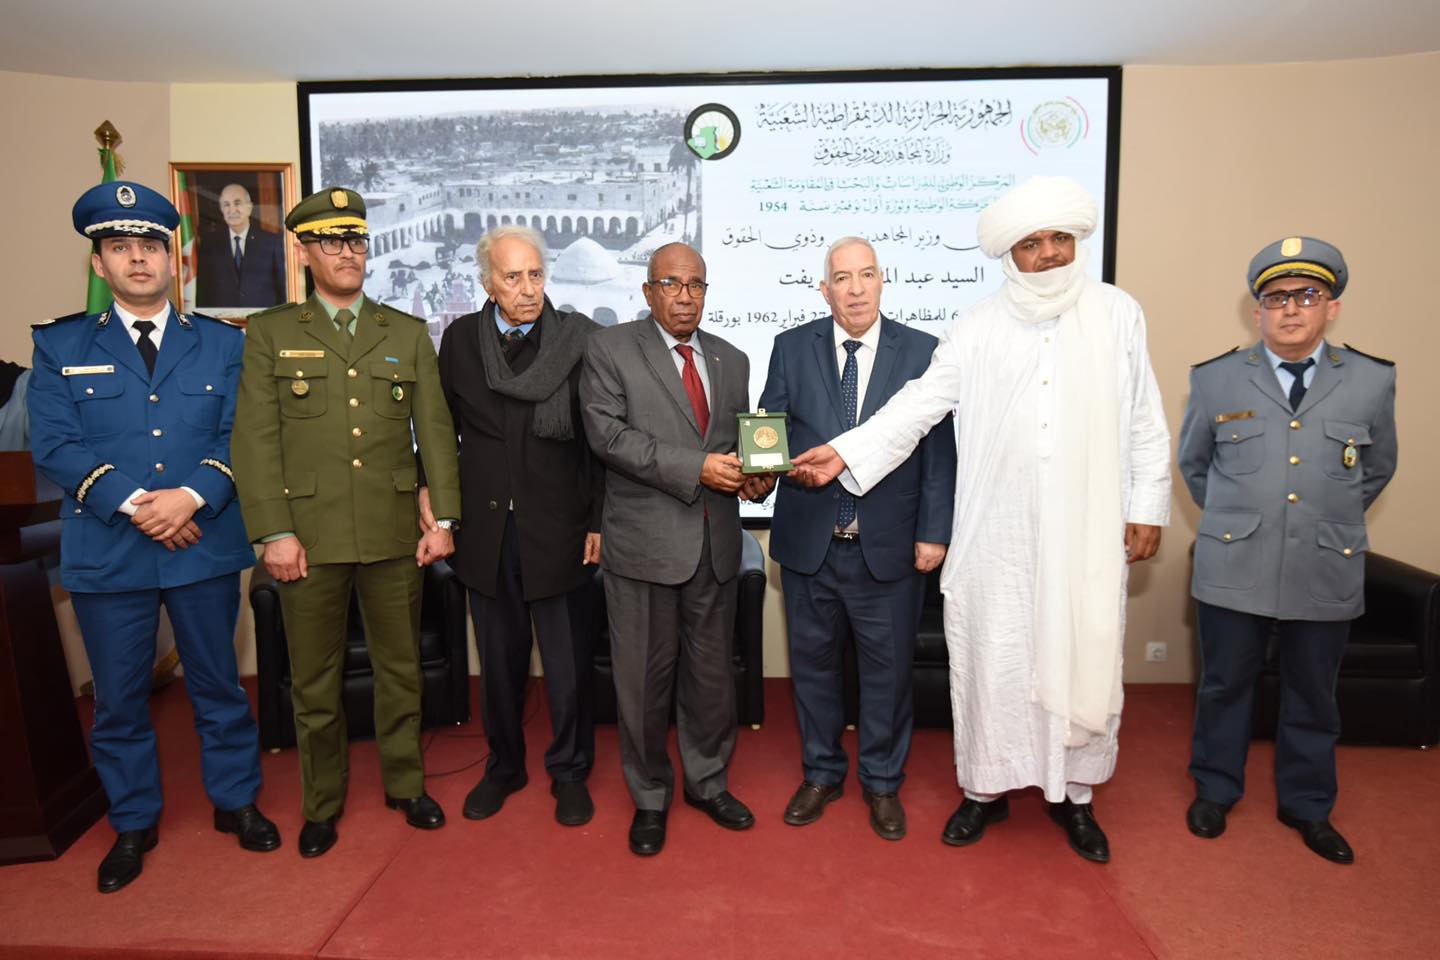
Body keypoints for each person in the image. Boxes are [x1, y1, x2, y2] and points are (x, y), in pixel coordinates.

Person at [792, 176, 1172, 863]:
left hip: (1086, 530)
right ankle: (984, 791)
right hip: (998, 534)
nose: (1049, 253)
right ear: (1010, 254)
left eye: (1060, 238)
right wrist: (845, 452)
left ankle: (1076, 798)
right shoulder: (977, 326)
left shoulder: (1119, 314)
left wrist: (1147, 504)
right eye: (1032, 243)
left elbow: (1145, 415)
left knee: (1083, 653)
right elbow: (917, 407)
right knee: (993, 661)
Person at [29, 180, 278, 893]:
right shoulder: (60, 344)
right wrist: (142, 506)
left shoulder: (224, 344)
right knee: (118, 700)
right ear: (99, 263)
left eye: (149, 247)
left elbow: (241, 433)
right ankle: (133, 820)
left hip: (202, 540)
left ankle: (236, 802)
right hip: (110, 550)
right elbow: (56, 444)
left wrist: (191, 496)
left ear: (175, 261)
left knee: (219, 685)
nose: (137, 259)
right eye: (119, 247)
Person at [230, 187, 462, 858]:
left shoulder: (405, 332)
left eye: (356, 240)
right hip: (309, 537)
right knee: (315, 682)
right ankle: (323, 804)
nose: (347, 253)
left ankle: (406, 785)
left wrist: (443, 518)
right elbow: (255, 441)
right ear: (304, 252)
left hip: (393, 533)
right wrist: (273, 532)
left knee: (401, 670)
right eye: (331, 241)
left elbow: (435, 432)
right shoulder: (272, 333)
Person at [1178, 237, 1396, 865]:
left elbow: (1376, 468)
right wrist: (1241, 519)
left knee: (1313, 693)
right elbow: (1195, 467)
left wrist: (1322, 518)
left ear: (1332, 307)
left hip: (1324, 562)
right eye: (1277, 298)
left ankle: (1308, 805)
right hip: (1234, 563)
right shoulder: (1215, 379)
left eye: (1307, 295)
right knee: (1224, 685)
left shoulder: (1372, 379)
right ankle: (1215, 790)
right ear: (1258, 313)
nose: (1292, 308)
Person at [757, 237, 956, 840]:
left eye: (866, 274)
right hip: (809, 545)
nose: (856, 289)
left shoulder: (923, 351)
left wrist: (934, 532)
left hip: (888, 548)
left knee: (888, 675)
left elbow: (939, 453)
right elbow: (769, 428)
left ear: (882, 280)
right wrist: (763, 470)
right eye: (842, 278)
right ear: (825, 290)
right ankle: (821, 773)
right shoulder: (790, 347)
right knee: (813, 669)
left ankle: (883, 782)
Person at [579, 242, 767, 856]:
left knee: (712, 680)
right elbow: (608, 437)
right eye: (671, 284)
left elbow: (738, 446)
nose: (685, 297)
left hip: (715, 545)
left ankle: (708, 783)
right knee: (642, 683)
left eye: (696, 286)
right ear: (648, 291)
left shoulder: (732, 358)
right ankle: (650, 796)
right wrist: (698, 469)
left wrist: (757, 478)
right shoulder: (609, 349)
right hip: (643, 548)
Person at [428, 225, 603, 826]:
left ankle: (570, 771)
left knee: (567, 667)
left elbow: (601, 442)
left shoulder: (580, 339)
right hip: (486, 534)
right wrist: (440, 510)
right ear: (487, 283)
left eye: (535, 275)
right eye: (512, 277)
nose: (528, 289)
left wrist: (598, 520)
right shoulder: (460, 340)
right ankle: (504, 767)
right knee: (500, 667)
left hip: (561, 529)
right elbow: (440, 433)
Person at [196, 183, 287, 309]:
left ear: (249, 207)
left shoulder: (272, 242)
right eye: (226, 205)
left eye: (237, 203)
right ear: (221, 209)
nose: (232, 210)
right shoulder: (209, 243)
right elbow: (203, 290)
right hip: (222, 318)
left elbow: (283, 289)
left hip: (264, 318)